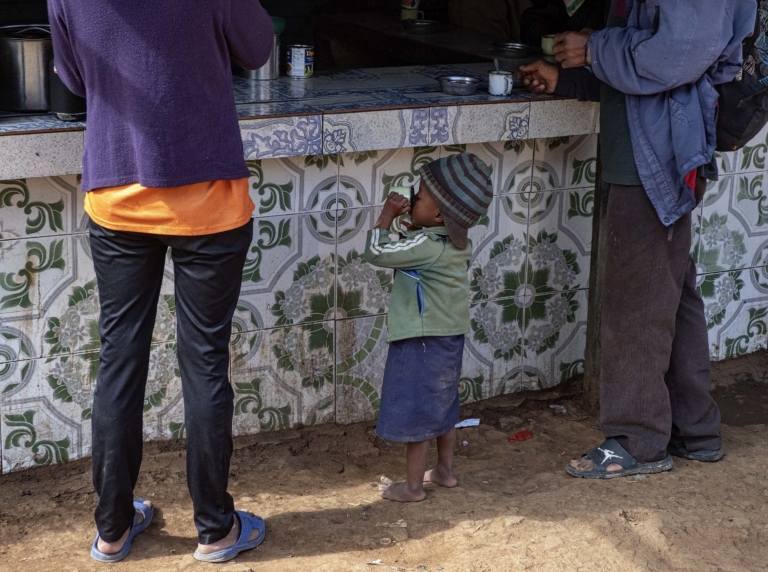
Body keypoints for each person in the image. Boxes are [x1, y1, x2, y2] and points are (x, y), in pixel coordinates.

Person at [47, 0, 273, 562]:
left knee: (119, 360)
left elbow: (74, 77)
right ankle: (215, 530)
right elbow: (258, 48)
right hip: (209, 204)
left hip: (117, 198)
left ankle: (112, 529)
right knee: (204, 362)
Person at [517, 0, 757, 479]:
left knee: (637, 297)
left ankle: (638, 439)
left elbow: (678, 55)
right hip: (650, 143)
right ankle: (693, 429)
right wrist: (570, 76)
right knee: (667, 288)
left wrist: (595, 49)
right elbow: (643, 60)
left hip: (657, 151)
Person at [363, 153, 493, 502]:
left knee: (417, 412)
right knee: (443, 406)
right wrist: (413, 225)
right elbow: (420, 249)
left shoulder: (425, 245)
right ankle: (445, 471)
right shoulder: (454, 244)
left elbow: (376, 252)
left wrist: (387, 216)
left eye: (418, 197)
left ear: (437, 216)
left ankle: (412, 487)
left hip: (420, 340)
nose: (411, 198)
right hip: (448, 337)